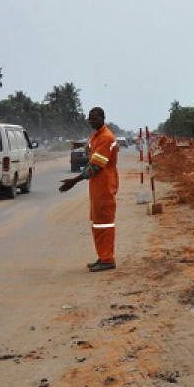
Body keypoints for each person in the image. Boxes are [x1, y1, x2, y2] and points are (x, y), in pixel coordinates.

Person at [59, 107, 120, 272]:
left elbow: (94, 166)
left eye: (94, 118)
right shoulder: (97, 136)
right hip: (97, 186)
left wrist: (74, 180)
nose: (91, 121)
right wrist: (79, 145)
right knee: (98, 223)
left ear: (102, 118)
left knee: (104, 224)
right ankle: (102, 256)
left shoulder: (106, 138)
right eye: (90, 118)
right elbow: (90, 148)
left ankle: (108, 259)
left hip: (104, 185)